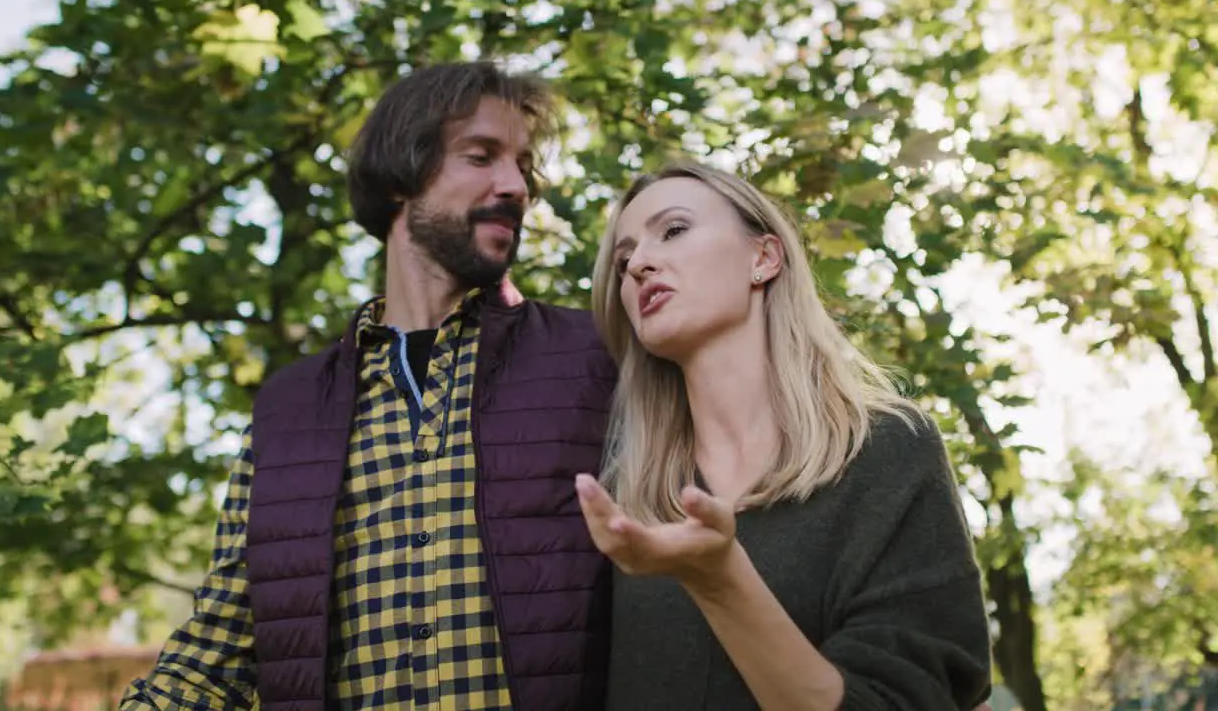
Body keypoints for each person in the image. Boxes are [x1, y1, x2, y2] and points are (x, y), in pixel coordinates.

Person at [120, 61, 617, 710]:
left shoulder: (594, 360)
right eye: (481, 156)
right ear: (398, 180)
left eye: (523, 165)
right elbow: (215, 657)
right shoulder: (288, 414)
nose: (515, 185)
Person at [578, 159, 993, 710]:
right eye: (624, 259)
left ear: (764, 257)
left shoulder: (888, 452)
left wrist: (720, 580)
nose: (638, 266)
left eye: (673, 231)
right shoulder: (626, 499)